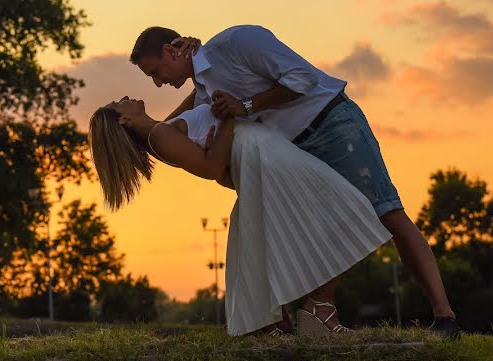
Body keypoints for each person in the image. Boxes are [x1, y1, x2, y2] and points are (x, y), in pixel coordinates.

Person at [128, 25, 460, 339]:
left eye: (155, 72)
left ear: (171, 51)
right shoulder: (203, 93)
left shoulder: (236, 42)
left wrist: (246, 105)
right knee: (310, 224)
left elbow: (302, 78)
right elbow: (169, 130)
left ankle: (444, 317)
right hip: (295, 147)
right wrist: (130, 130)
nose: (157, 83)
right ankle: (318, 313)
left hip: (331, 125)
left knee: (387, 213)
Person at [89, 97, 391, 336]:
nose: (126, 97)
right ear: (125, 119)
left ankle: (302, 312)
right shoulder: (160, 135)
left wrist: (198, 57)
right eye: (120, 103)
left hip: (259, 152)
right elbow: (210, 168)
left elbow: (199, 95)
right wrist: (229, 119)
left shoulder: (162, 128)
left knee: (293, 229)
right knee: (341, 205)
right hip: (259, 151)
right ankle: (315, 309)